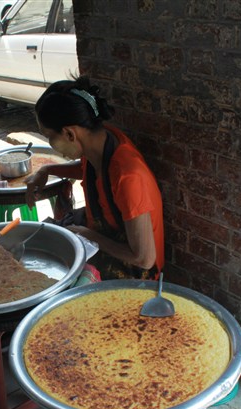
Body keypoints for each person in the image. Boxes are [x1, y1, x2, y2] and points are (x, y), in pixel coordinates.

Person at [25, 76, 165, 280]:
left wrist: (86, 235)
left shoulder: (129, 177)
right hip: (104, 240)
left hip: (136, 274)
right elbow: (89, 171)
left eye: (49, 136)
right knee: (40, 240)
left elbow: (144, 258)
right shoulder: (98, 141)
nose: (50, 143)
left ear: (69, 134)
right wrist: (46, 170)